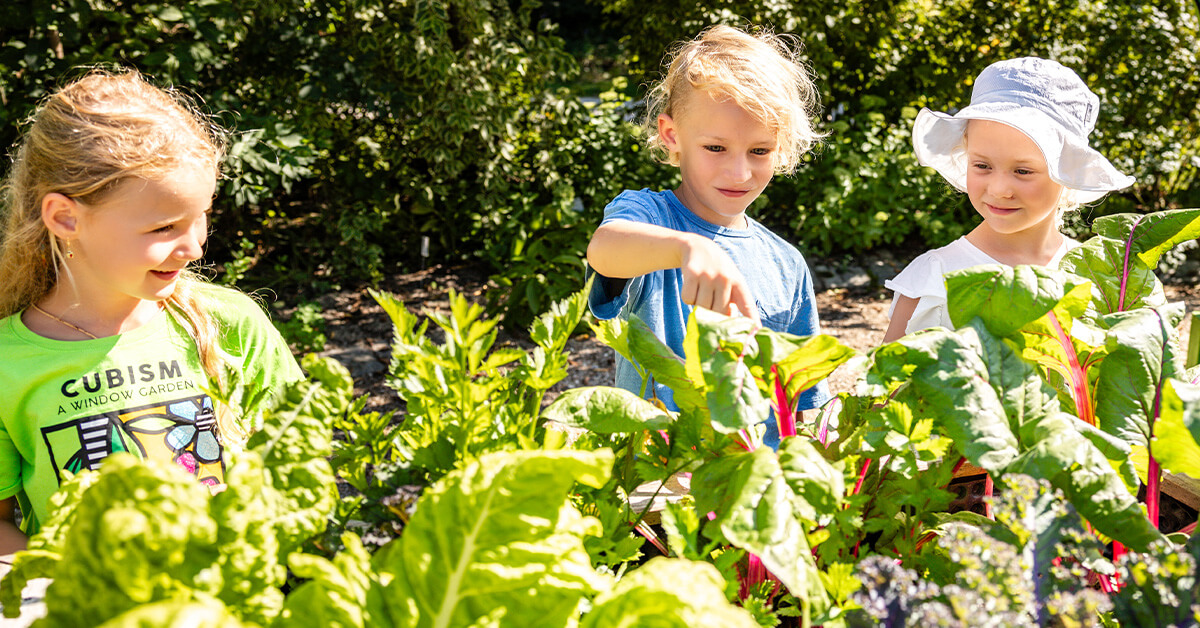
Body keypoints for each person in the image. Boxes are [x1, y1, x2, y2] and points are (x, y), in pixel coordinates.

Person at [0, 70, 303, 551]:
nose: (195, 248)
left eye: (201, 218)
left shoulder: (232, 325)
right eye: (164, 227)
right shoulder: (6, 364)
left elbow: (299, 473)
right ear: (65, 218)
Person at [586, 25, 830, 446]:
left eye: (759, 150)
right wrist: (690, 248)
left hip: (751, 482)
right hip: (660, 484)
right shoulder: (650, 218)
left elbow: (802, 404)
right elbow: (604, 250)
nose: (739, 173)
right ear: (672, 136)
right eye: (715, 148)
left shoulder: (787, 263)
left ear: (783, 147)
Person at [883, 57, 1135, 343]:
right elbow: (888, 384)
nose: (1000, 189)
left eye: (1023, 171)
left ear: (1067, 171)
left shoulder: (1096, 276)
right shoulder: (936, 278)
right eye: (982, 166)